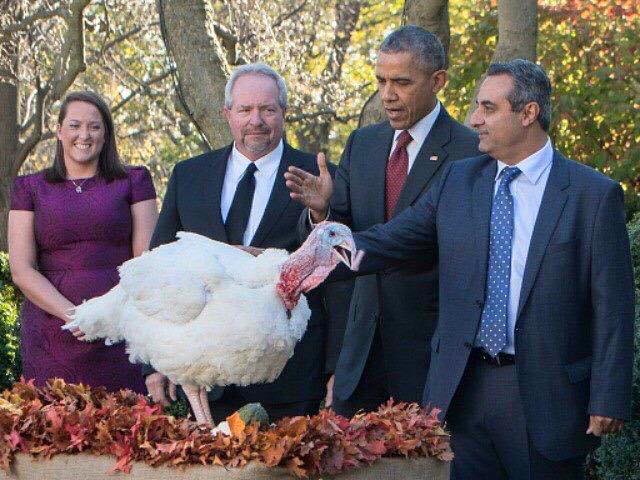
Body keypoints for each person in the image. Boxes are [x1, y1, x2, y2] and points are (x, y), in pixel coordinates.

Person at [333, 60, 634, 479]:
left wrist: (608, 397)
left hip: (545, 394)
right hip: (462, 389)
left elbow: (613, 307)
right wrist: (310, 257)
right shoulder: (458, 180)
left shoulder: (592, 195)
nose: (475, 119)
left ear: (528, 113)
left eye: (488, 108)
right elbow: (389, 242)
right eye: (477, 106)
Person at [286, 25, 479, 417]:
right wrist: (323, 213)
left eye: (401, 83)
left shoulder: (471, 152)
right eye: (381, 81)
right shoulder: (363, 143)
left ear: (437, 81)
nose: (387, 95)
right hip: (360, 356)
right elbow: (345, 239)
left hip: (429, 357)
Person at [144, 63, 328, 422]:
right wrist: (155, 361)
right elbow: (159, 271)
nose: (256, 120)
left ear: (284, 112)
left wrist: (337, 369)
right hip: (204, 377)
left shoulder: (318, 178)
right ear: (227, 113)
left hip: (288, 378)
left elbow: (337, 281)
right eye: (245, 109)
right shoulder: (189, 176)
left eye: (267, 109)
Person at [8, 91, 158, 393]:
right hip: (52, 333)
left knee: (127, 419)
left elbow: (146, 263)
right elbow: (22, 270)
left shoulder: (134, 181)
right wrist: (77, 318)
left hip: (120, 328)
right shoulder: (29, 188)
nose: (84, 135)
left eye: (94, 126)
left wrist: (105, 314)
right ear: (59, 131)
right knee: (54, 418)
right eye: (75, 126)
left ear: (106, 134)